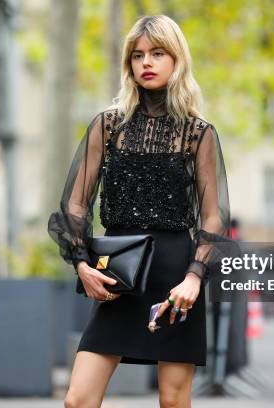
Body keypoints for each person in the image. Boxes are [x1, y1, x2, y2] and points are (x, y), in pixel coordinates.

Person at [47, 15, 232, 408]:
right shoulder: (107, 126)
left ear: (176, 60)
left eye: (158, 53)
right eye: (138, 55)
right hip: (119, 276)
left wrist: (195, 279)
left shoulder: (198, 134)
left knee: (172, 400)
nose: (146, 62)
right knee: (77, 399)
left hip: (176, 280)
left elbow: (213, 216)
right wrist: (82, 263)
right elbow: (76, 203)